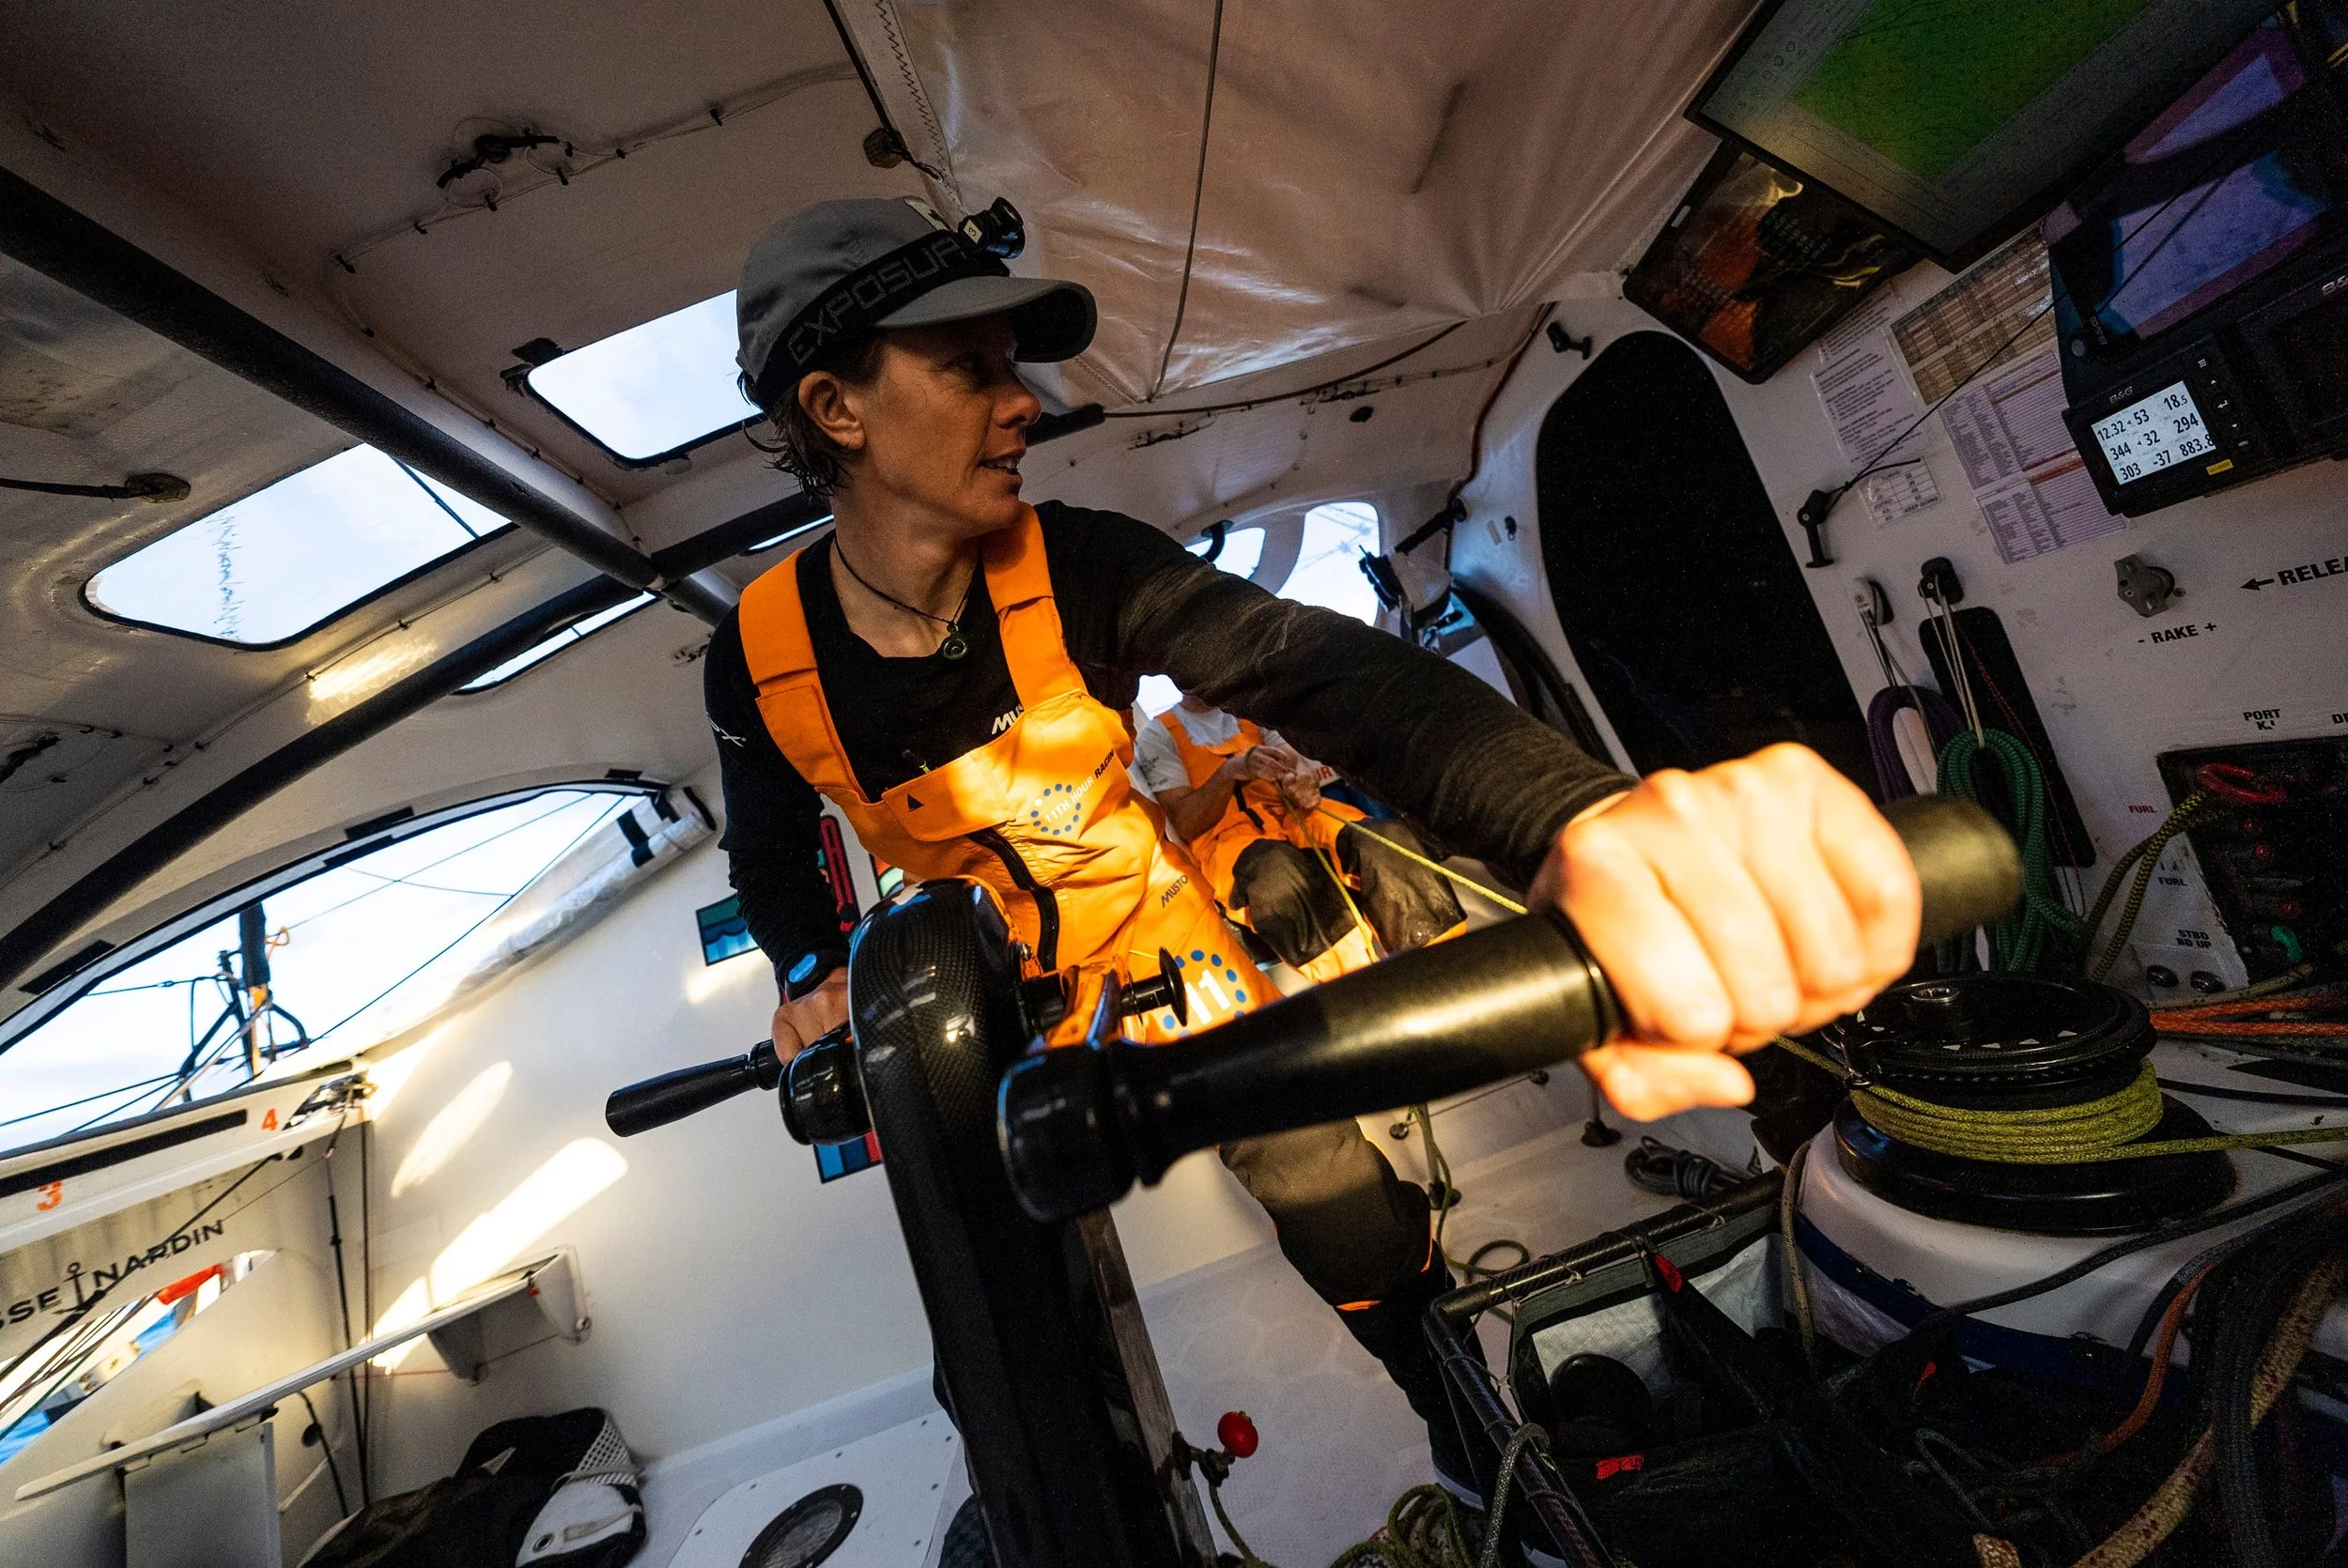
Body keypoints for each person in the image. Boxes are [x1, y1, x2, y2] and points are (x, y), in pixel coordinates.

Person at [700, 197, 1921, 1497]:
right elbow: (771, 861)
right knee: (995, 1329)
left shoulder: (1082, 564)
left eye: (1013, 367)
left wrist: (1576, 816)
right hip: (965, 992)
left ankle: (1467, 1432)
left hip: (1156, 947)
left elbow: (1316, 668)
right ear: (837, 408)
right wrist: (810, 968)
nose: (1024, 404)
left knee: (1337, 1205)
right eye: (973, 370)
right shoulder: (756, 660)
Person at [1133, 689, 1463, 981]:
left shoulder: (1251, 709)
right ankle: (1359, 986)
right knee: (1277, 876)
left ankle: (1448, 967)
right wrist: (1231, 772)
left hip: (1294, 818)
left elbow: (1297, 767)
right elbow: (1187, 821)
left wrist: (1301, 783)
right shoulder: (1158, 736)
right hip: (1230, 845)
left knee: (1385, 839)